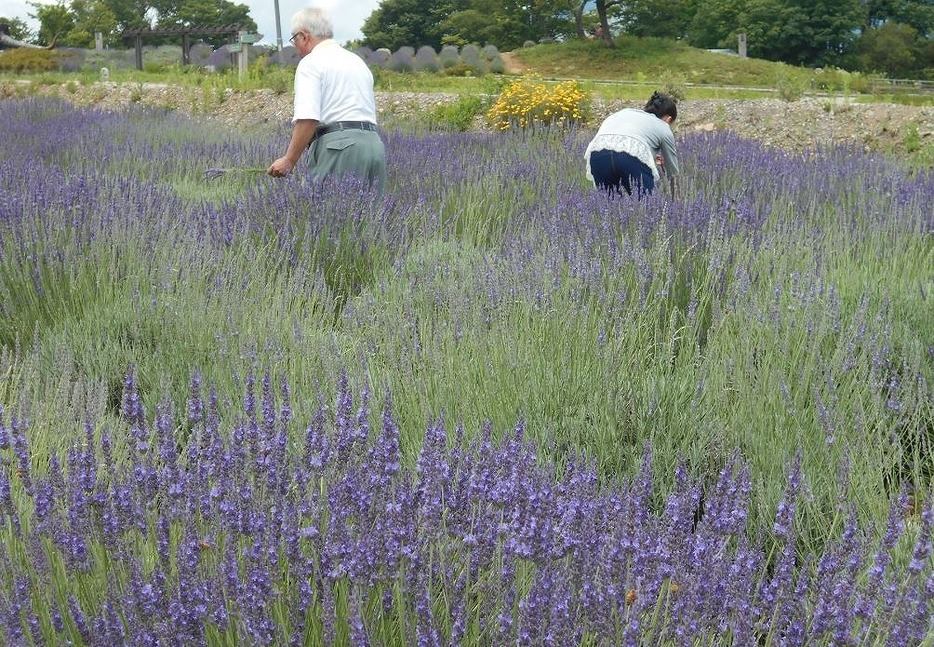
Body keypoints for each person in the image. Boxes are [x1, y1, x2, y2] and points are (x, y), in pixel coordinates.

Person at [267, 7, 386, 191]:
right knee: (370, 216)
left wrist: (289, 160)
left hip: (338, 149)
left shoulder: (311, 63)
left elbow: (308, 117)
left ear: (304, 36)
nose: (295, 47)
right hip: (373, 146)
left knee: (330, 216)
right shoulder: (357, 61)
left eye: (294, 40)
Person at [584, 91, 680, 198]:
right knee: (646, 207)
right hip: (629, 157)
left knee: (607, 206)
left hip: (598, 154)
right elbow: (672, 173)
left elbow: (623, 141)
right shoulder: (663, 126)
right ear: (668, 119)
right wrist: (675, 199)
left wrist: (650, 156)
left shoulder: (625, 112)